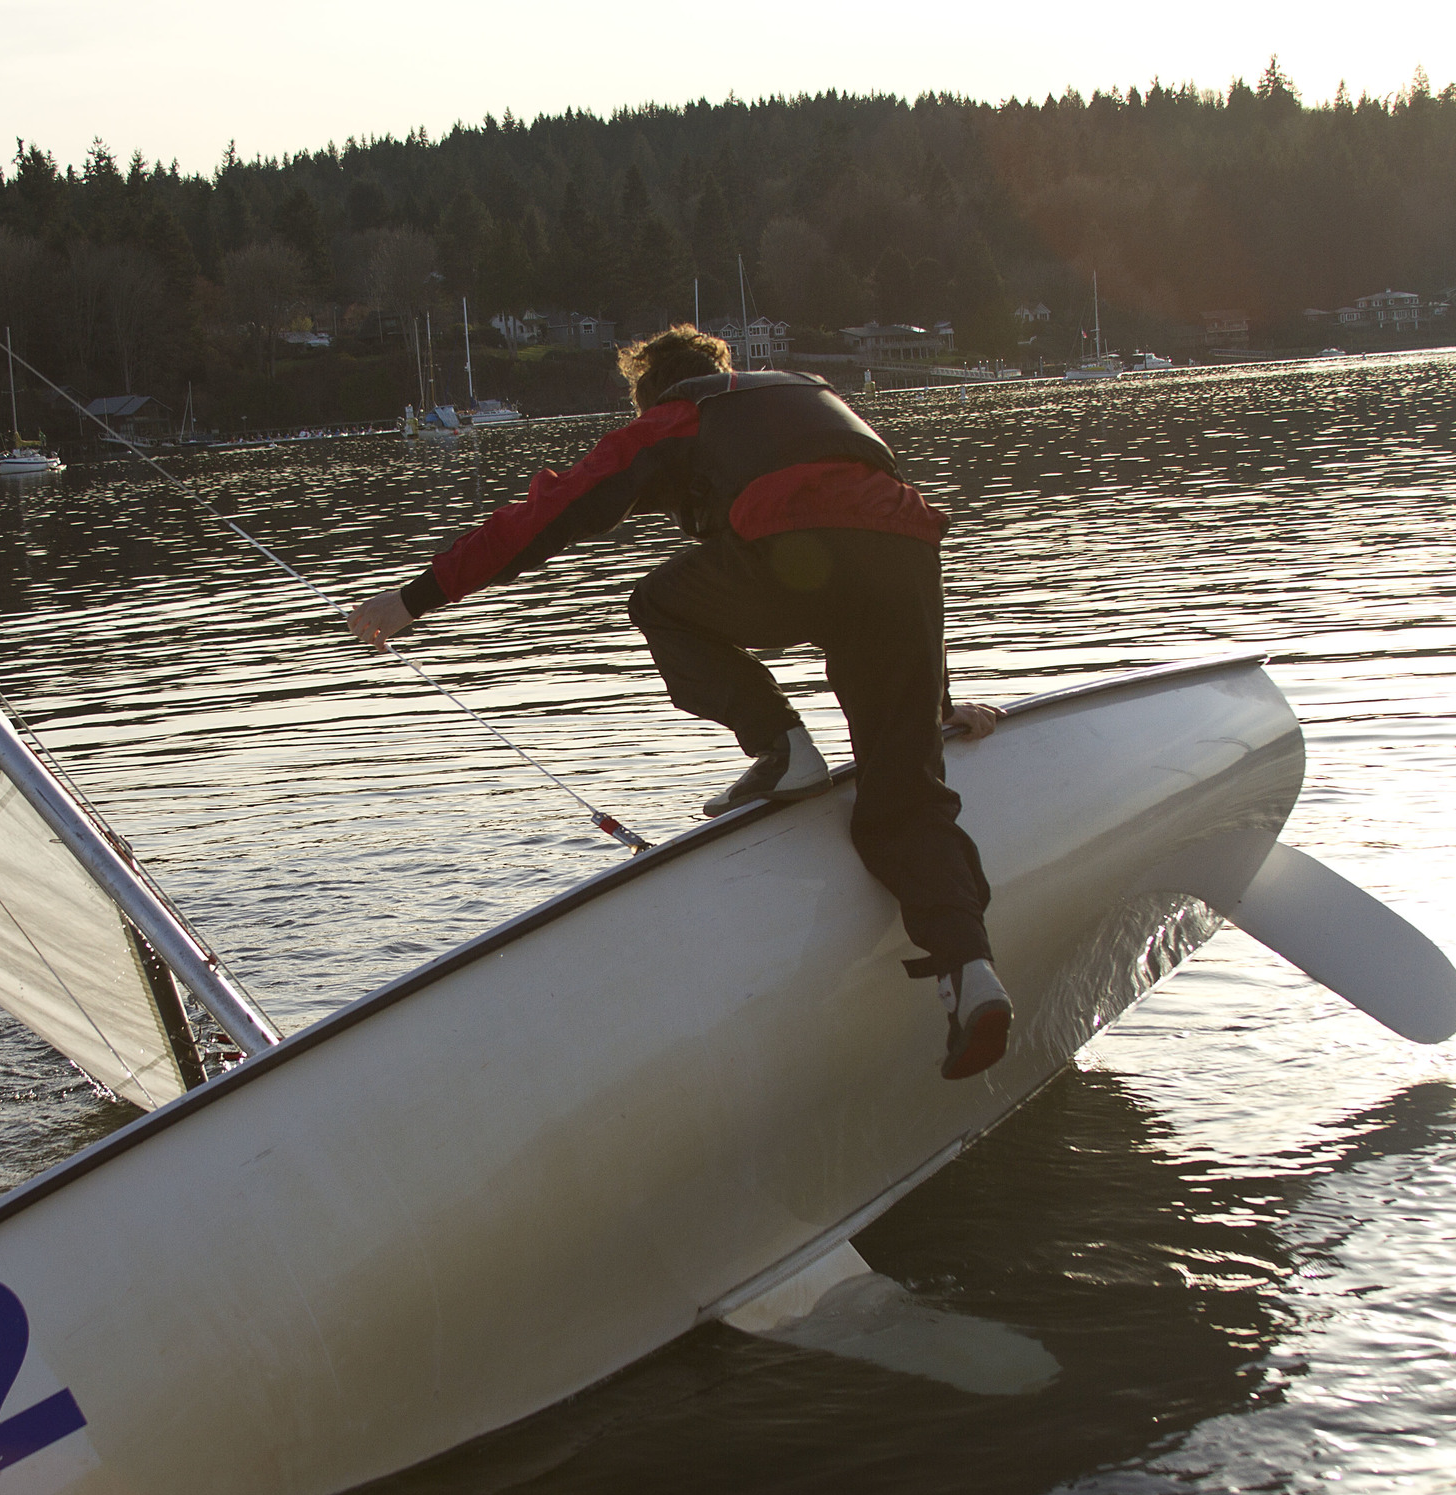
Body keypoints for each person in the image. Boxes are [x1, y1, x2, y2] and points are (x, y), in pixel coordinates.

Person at [346, 325, 1010, 1078]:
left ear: (652, 395)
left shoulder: (676, 417)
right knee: (905, 796)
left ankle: (782, 745)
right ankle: (969, 969)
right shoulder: (810, 397)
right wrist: (936, 703)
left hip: (798, 554)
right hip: (908, 561)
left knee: (659, 603)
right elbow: (869, 523)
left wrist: (414, 598)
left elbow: (544, 517)